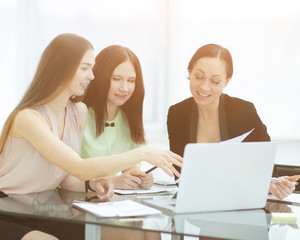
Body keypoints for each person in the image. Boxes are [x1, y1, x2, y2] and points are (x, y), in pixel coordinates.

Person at [0, 33, 182, 199]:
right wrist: (142, 153)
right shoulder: (28, 119)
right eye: (85, 68)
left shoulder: (77, 112)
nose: (92, 76)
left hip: (46, 206)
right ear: (61, 69)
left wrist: (95, 183)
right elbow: (79, 168)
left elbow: (65, 178)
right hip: (10, 205)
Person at [167, 43, 299, 200]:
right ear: (189, 72)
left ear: (226, 81)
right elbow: (179, 174)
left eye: (215, 81)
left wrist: (274, 183)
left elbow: (264, 162)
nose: (204, 87)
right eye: (198, 77)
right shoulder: (177, 114)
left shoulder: (244, 111)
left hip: (237, 202)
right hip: (196, 203)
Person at [82, 45, 153, 190]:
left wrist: (140, 177)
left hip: (109, 204)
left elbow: (129, 167)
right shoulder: (79, 114)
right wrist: (114, 180)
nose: (124, 88)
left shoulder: (128, 119)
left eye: (131, 80)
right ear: (100, 77)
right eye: (116, 79)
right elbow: (69, 175)